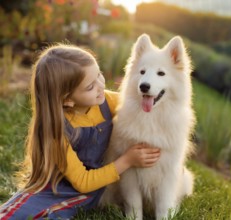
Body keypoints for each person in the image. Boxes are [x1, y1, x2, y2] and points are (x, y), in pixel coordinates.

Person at [0, 44, 161, 219]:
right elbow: (82, 181)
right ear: (67, 99)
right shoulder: (57, 129)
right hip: (60, 184)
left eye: (99, 74)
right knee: (12, 213)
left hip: (95, 185)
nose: (101, 85)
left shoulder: (109, 101)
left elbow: (142, 108)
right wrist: (128, 160)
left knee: (51, 215)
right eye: (90, 87)